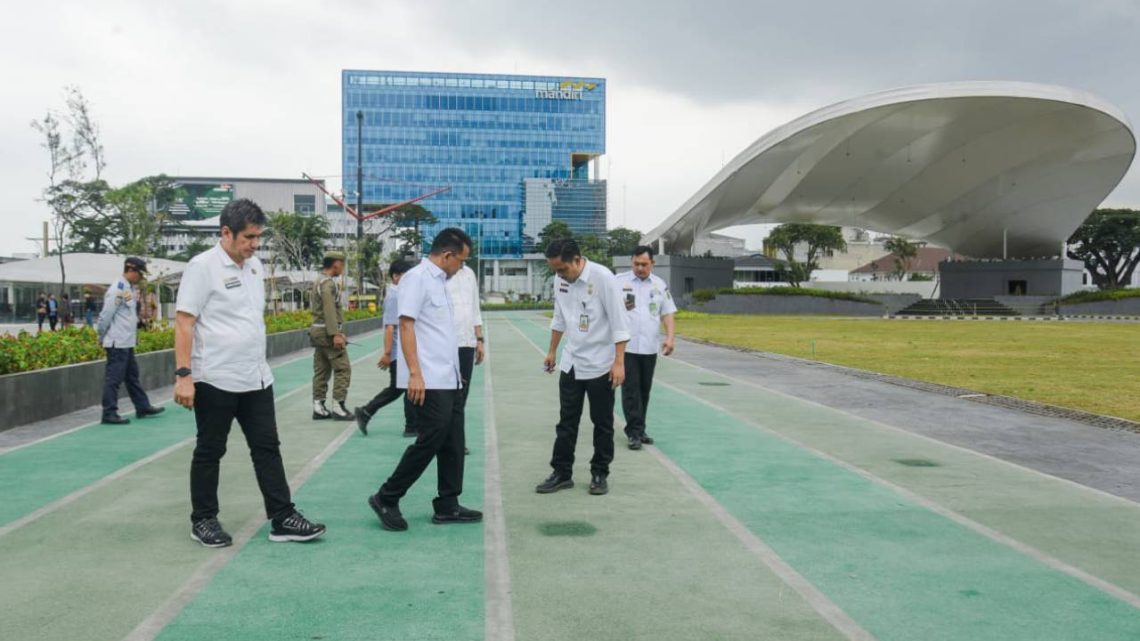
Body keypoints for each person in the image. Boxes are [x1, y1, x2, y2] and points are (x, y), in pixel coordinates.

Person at [174, 198, 325, 548]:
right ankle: (204, 520)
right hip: (214, 377)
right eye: (249, 238)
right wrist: (184, 375)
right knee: (211, 450)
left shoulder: (255, 266)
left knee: (267, 447)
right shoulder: (202, 267)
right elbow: (184, 322)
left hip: (256, 377)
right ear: (226, 233)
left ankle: (283, 516)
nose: (255, 244)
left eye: (258, 237)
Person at [368, 228, 482, 532]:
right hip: (429, 377)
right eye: (461, 260)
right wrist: (415, 374)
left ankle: (448, 504)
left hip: (449, 376)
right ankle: (387, 496)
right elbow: (406, 326)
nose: (461, 267)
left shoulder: (441, 281)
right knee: (431, 438)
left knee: (454, 440)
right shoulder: (417, 279)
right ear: (447, 255)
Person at [535, 239, 630, 496]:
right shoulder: (560, 280)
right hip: (572, 362)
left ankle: (599, 473)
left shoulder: (603, 278)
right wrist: (552, 351)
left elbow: (620, 323)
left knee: (602, 423)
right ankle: (562, 472)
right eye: (555, 270)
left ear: (577, 260)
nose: (559, 275)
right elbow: (559, 317)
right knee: (566, 421)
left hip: (601, 364)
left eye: (562, 269)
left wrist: (619, 362)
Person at [615, 245, 677, 450]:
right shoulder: (619, 282)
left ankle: (640, 429)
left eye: (644, 264)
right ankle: (633, 432)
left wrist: (670, 338)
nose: (640, 268)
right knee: (631, 390)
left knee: (644, 390)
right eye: (636, 264)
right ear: (631, 262)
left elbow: (667, 312)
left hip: (649, 347)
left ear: (652, 263)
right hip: (627, 347)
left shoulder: (659, 285)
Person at [96, 257, 165, 425]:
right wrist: (100, 335)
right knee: (114, 379)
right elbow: (106, 315)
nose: (141, 278)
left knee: (132, 377)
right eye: (140, 274)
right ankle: (109, 413)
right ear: (131, 270)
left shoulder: (128, 288)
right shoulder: (117, 289)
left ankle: (142, 406)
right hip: (117, 342)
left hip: (126, 342)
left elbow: (127, 315)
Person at [354, 259, 417, 436]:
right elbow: (390, 327)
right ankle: (368, 412)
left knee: (401, 388)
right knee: (399, 388)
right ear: (396, 276)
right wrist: (388, 353)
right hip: (399, 352)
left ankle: (410, 425)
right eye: (406, 277)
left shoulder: (400, 294)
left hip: (403, 351)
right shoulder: (395, 296)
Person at [446, 260, 483, 456]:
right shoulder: (441, 275)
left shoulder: (469, 273)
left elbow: (474, 308)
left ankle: (456, 441)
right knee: (447, 395)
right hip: (447, 344)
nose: (463, 261)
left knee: (462, 396)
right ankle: (449, 440)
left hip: (467, 343)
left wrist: (480, 339)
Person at [310, 251, 353, 421]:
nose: (342, 268)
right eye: (342, 264)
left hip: (317, 332)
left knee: (321, 370)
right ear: (335, 264)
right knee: (343, 369)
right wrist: (336, 334)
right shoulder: (328, 284)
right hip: (327, 334)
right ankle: (338, 406)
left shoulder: (318, 281)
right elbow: (330, 311)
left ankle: (318, 406)